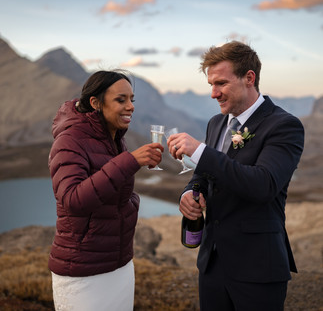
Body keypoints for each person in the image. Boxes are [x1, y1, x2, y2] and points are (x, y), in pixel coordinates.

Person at [167, 41, 304, 311]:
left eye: (221, 83)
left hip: (257, 267)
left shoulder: (284, 125)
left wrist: (201, 151)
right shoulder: (216, 123)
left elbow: (263, 184)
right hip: (212, 264)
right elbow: (204, 175)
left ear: (249, 78)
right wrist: (190, 193)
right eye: (211, 85)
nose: (213, 93)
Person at [48, 70, 163, 311]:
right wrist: (129, 161)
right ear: (95, 103)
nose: (130, 106)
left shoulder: (114, 138)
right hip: (83, 272)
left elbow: (110, 186)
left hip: (119, 266)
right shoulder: (70, 140)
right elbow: (72, 200)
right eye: (121, 100)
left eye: (132, 99)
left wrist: (131, 202)